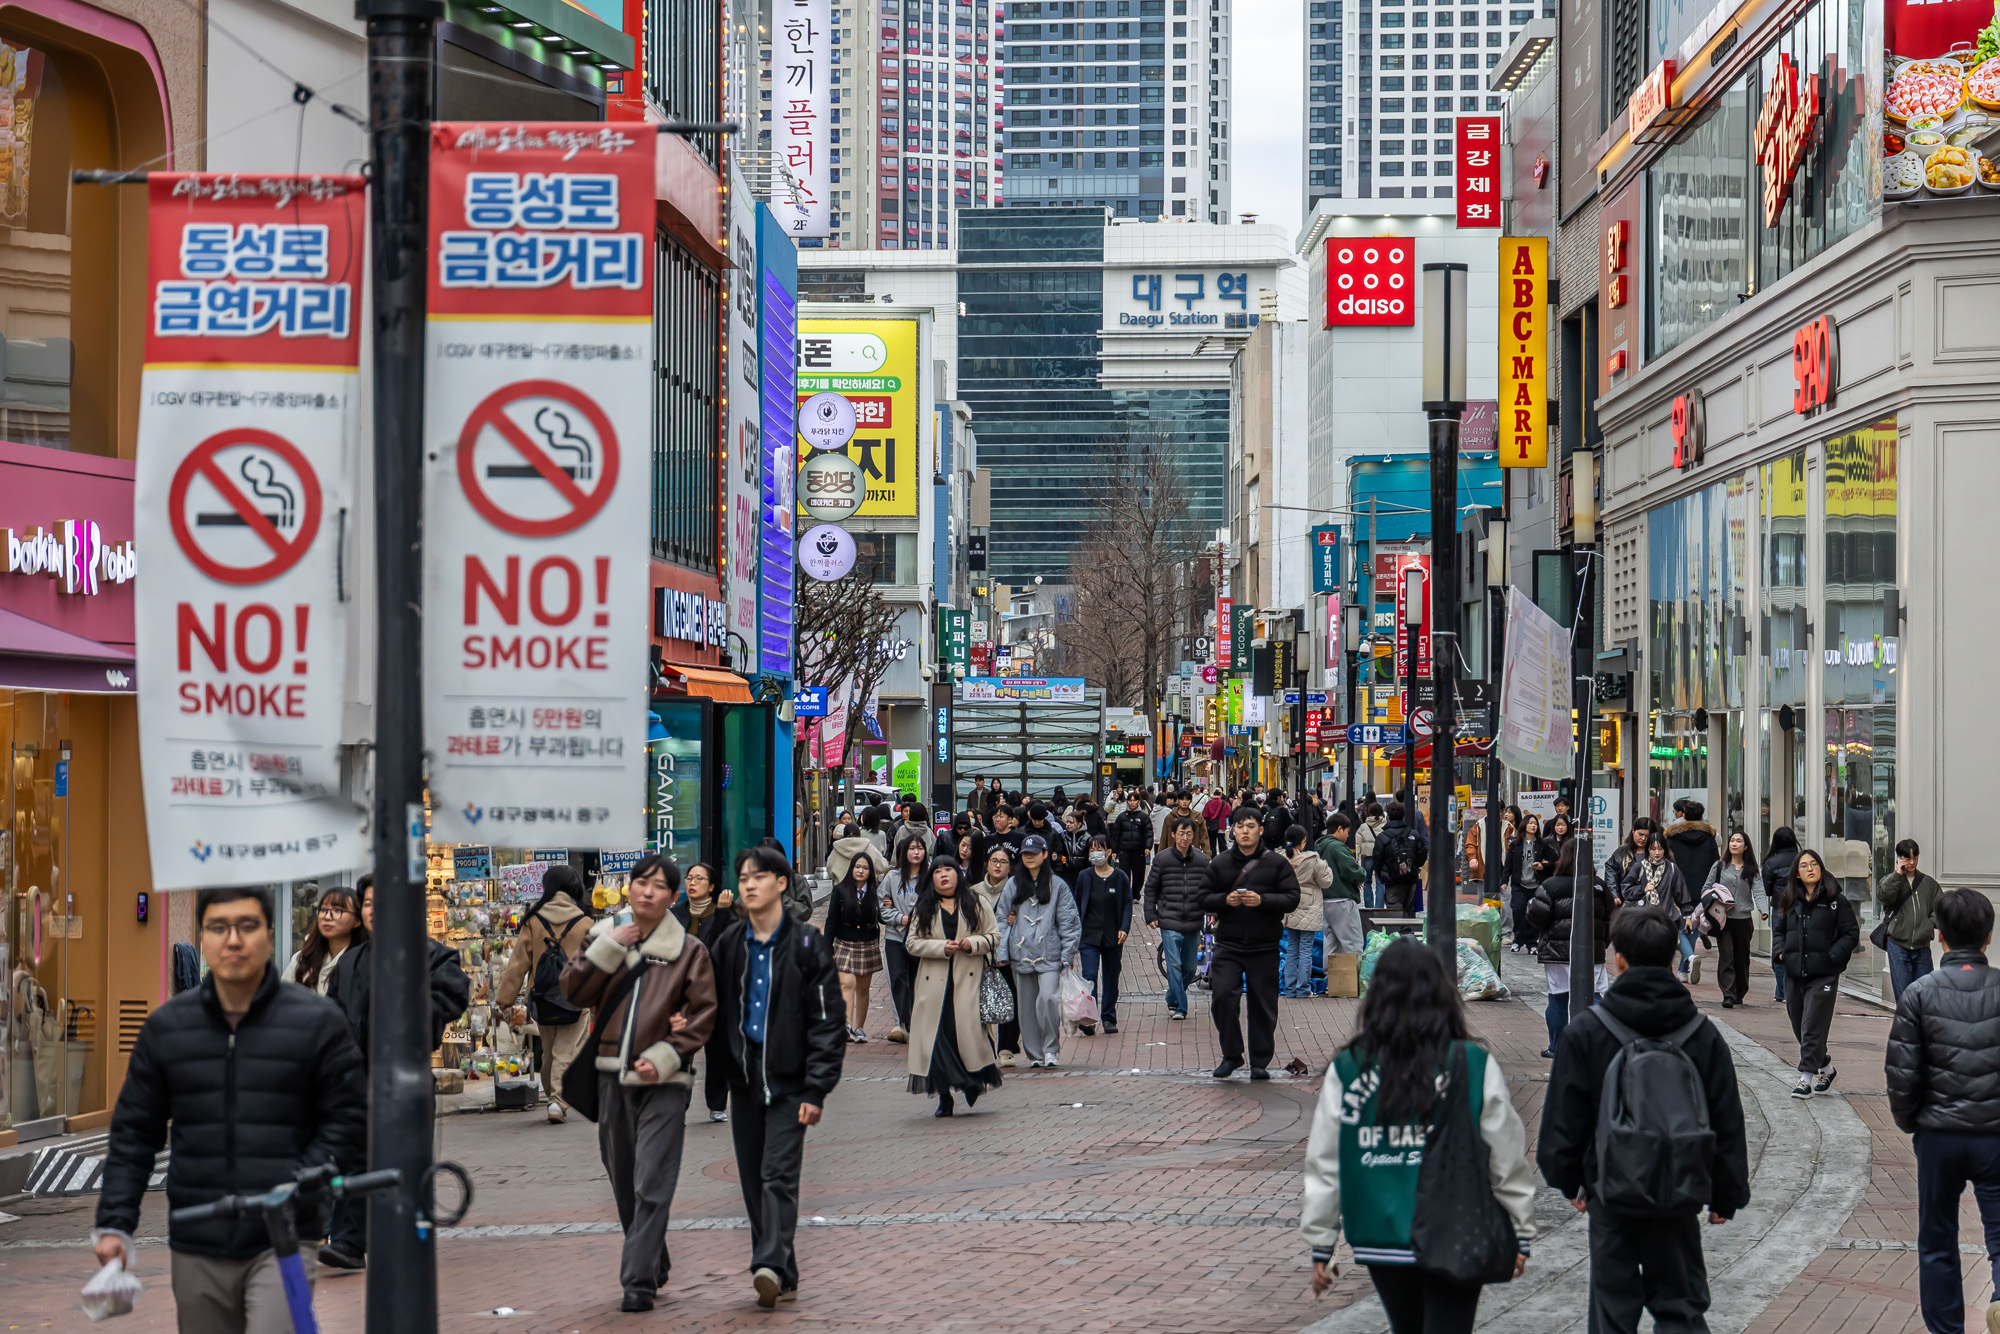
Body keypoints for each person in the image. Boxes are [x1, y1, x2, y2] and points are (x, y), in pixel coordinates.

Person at [94, 886, 364, 1334]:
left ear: (271, 935)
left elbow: (350, 1116)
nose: (233, 940)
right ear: (201, 938)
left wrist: (307, 1174)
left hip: (286, 1236)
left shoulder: (315, 1022)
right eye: (218, 928)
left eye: (247, 926)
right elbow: (134, 1134)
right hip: (197, 1234)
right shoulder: (168, 1029)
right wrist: (114, 1223)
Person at [1300, 938, 1536, 1332]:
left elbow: (1325, 1160)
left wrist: (1323, 1241)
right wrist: (1520, 1228)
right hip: (1457, 1223)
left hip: (1379, 1230)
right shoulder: (1471, 1063)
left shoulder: (1349, 1068)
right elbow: (1506, 1154)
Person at [1537, 907, 1751, 1334]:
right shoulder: (1701, 1033)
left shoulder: (1588, 1031)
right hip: (1680, 1191)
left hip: (1611, 1191)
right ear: (1674, 957)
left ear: (1619, 959)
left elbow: (1563, 1122)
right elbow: (1726, 1119)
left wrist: (1572, 1181)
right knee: (1680, 1308)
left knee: (1613, 1310)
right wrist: (1726, 1194)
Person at [559, 852, 718, 1313]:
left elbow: (702, 1013)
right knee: (624, 1177)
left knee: (653, 1177)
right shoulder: (604, 934)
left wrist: (665, 1055)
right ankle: (652, 1257)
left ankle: (637, 1282)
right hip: (611, 1076)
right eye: (640, 882)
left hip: (666, 1083)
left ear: (673, 897)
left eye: (658, 886)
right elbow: (572, 991)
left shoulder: (690, 950)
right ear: (629, 888)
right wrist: (607, 949)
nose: (647, 891)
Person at [705, 845, 847, 1309]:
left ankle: (766, 1262)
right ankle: (781, 1264)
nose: (748, 884)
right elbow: (716, 1011)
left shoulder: (807, 943)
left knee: (778, 1174)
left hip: (790, 1082)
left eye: (759, 876)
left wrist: (816, 1087)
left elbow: (827, 1021)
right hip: (745, 1081)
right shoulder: (728, 944)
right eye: (743, 876)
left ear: (782, 884)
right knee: (752, 1180)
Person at [320, 873, 470, 1271]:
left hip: (404, 1080)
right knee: (351, 1158)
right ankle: (349, 1242)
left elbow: (454, 992)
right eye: (368, 903)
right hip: (355, 1079)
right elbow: (331, 1016)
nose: (375, 911)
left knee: (400, 1162)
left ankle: (401, 1238)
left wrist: (412, 1025)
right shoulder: (350, 962)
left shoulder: (430, 953)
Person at [1884, 888, 2000, 1334]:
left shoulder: (1919, 994)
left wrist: (1913, 1123)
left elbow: (1902, 1073)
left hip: (1939, 1134)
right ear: (1988, 937)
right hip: (1995, 1135)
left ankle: (1946, 1329)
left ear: (1938, 936)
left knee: (1936, 1238)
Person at [1200, 806, 1301, 1080]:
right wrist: (1224, 900)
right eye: (1240, 826)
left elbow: (1293, 898)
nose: (1245, 831)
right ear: (1232, 830)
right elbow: (1202, 897)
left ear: (1261, 830)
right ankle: (1231, 1055)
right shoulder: (1220, 863)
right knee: (1222, 997)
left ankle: (1259, 1061)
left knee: (1263, 1004)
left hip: (1264, 945)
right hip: (1229, 945)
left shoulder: (1276, 863)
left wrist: (1263, 900)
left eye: (1251, 826)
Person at [495, 863, 595, 1124]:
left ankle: (553, 1096)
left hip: (542, 997)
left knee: (548, 1051)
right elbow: (595, 964)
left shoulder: (533, 920)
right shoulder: (585, 922)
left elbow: (518, 964)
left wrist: (505, 1001)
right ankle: (557, 1101)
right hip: (577, 996)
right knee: (565, 1051)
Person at [903, 856, 1003, 1116]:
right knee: (936, 1041)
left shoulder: (975, 901)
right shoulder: (924, 907)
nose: (943, 875)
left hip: (967, 984)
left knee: (966, 1037)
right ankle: (944, 1096)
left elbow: (994, 936)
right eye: (937, 871)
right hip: (932, 987)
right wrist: (940, 948)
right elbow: (912, 943)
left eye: (949, 869)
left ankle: (971, 1082)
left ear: (958, 873)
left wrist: (974, 943)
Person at [1772, 847, 1859, 1099]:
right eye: (1804, 865)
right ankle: (1827, 1069)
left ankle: (1805, 1079)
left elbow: (1850, 933)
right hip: (1795, 972)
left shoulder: (1836, 901)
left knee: (1812, 1025)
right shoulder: (1789, 900)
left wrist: (1832, 957)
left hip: (1824, 974)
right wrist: (1781, 953)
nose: (1810, 868)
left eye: (1814, 864)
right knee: (1799, 1025)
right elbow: (1779, 930)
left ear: (1821, 868)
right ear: (1797, 874)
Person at [995, 834, 1081, 1068]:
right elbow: (1001, 919)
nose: (1029, 857)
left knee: (1048, 998)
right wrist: (1002, 952)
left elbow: (1068, 921)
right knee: (1026, 1007)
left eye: (1034, 853)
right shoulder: (1013, 884)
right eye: (1025, 854)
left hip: (1049, 953)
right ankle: (1034, 1054)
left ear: (1045, 854)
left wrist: (1067, 953)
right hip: (1020, 954)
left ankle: (1051, 1049)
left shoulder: (1058, 885)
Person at [1524, 839, 1614, 1058]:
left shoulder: (1551, 885)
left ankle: (1557, 1046)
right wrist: (1601, 943)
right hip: (1592, 952)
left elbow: (1536, 916)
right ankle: (1595, 1045)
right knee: (1593, 997)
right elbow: (1611, 919)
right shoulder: (1599, 886)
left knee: (1558, 999)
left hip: (1557, 953)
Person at [671, 862, 735, 1122]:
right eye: (689, 878)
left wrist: (722, 914)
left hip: (714, 992)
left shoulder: (724, 913)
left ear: (711, 886)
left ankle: (717, 1103)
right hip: (682, 993)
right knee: (681, 1050)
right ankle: (678, 1103)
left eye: (699, 878)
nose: (692, 883)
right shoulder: (675, 914)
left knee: (717, 1050)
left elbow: (719, 950)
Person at [1144, 814, 1211, 1021]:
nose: (1185, 837)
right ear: (1173, 834)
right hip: (1169, 919)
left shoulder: (1202, 860)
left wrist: (1212, 913)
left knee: (1190, 968)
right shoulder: (1162, 859)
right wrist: (1150, 914)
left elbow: (1210, 890)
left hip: (1193, 920)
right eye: (1181, 833)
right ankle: (1181, 1007)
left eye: (1189, 834)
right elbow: (1151, 889)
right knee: (1173, 964)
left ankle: (1172, 996)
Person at [824, 843, 886, 1044]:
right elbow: (831, 920)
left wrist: (888, 907)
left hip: (867, 943)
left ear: (870, 871)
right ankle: (846, 1025)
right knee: (846, 983)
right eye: (857, 867)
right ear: (851, 869)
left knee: (863, 988)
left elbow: (881, 919)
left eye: (865, 868)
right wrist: (827, 946)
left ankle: (859, 1028)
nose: (861, 871)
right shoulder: (840, 890)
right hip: (843, 942)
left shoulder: (875, 892)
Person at [1073, 834, 1133, 1034]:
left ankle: (1108, 1017)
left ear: (1108, 852)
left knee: (1111, 975)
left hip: (1113, 934)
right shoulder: (1084, 876)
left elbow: (1126, 904)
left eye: (1099, 849)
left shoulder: (1120, 876)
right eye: (1091, 849)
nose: (1095, 853)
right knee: (1089, 976)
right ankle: (1088, 1018)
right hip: (1089, 934)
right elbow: (1077, 902)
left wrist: (1124, 928)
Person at [1701, 832, 1764, 1009]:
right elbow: (1706, 887)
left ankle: (1740, 991)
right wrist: (1712, 900)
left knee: (1742, 958)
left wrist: (1763, 910)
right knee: (1726, 956)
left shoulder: (1752, 868)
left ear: (1745, 847)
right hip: (1723, 919)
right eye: (1732, 841)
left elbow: (1758, 891)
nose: (1734, 844)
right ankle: (1728, 994)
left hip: (1743, 919)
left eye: (1738, 841)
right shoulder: (1720, 866)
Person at [878, 834, 929, 1044]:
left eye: (919, 848)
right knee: (898, 979)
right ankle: (902, 1024)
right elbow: (881, 906)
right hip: (895, 937)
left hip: (923, 938)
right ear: (904, 852)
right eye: (911, 848)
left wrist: (918, 921)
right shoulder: (892, 877)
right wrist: (902, 918)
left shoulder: (931, 876)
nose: (916, 852)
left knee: (919, 980)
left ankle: (919, 1022)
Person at [974, 845, 1023, 1065]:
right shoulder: (974, 892)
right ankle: (982, 1046)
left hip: (1007, 955)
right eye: (994, 860)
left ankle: (1006, 1048)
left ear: (1010, 867)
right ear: (986, 863)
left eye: (1003, 862)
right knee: (978, 1001)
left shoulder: (1017, 891)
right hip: (979, 956)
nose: (997, 865)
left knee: (1010, 999)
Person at [1878, 838, 1942, 1002]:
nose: (1911, 862)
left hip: (1922, 946)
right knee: (1904, 996)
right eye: (1907, 858)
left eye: (1914, 857)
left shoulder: (1929, 883)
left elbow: (1941, 908)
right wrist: (1897, 875)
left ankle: (1921, 1027)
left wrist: (1928, 924)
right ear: (1899, 857)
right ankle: (1906, 1026)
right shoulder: (1890, 881)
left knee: (1925, 994)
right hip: (1898, 945)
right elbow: (1884, 896)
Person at [283, 884, 366, 996]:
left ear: (357, 920)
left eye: (338, 911)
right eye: (323, 909)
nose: (327, 916)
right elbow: (282, 1002)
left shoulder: (364, 962)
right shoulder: (302, 959)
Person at [1282, 825, 1334, 998]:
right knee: (1305, 950)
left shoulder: (1281, 858)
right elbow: (1326, 882)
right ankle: (1302, 988)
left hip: (1289, 907)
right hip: (1309, 907)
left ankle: (1289, 988)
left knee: (1291, 949)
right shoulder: (1312, 860)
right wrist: (1325, 866)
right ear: (1302, 843)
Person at [1315, 814, 1367, 955]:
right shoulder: (1337, 847)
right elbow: (1352, 870)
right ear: (1339, 829)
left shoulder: (1320, 846)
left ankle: (1330, 975)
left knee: (1331, 942)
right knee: (1353, 942)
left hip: (1326, 899)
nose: (1348, 835)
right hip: (1342, 898)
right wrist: (1362, 873)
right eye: (1347, 831)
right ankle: (1351, 974)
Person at [1763, 825, 1800, 1003]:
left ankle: (1782, 990)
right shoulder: (1801, 859)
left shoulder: (1771, 862)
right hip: (1800, 909)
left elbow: (1767, 890)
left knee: (1779, 949)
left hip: (1779, 909)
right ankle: (1783, 991)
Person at [1663, 800, 1722, 908]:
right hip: (1704, 892)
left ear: (1684, 816)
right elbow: (1716, 866)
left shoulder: (1672, 838)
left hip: (1678, 890)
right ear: (1701, 817)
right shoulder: (1709, 838)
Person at [1371, 800, 1426, 916]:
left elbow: (1377, 859)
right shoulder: (1414, 834)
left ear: (1388, 816)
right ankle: (1409, 932)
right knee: (1410, 910)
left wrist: (1383, 874)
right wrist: (1415, 866)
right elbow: (1422, 854)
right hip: (1410, 879)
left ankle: (1397, 933)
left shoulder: (1382, 837)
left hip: (1392, 881)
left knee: (1394, 913)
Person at [1113, 792, 1154, 886]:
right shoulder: (1121, 817)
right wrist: (1114, 850)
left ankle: (1136, 895)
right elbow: (1116, 835)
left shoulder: (1144, 817)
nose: (1132, 803)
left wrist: (1148, 846)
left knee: (1138, 874)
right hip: (1124, 850)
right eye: (1130, 800)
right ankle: (1125, 895)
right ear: (1127, 802)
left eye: (1134, 800)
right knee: (1124, 874)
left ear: (1138, 802)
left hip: (1139, 850)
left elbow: (1148, 833)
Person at [1356, 802, 1385, 909]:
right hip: (1381, 857)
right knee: (1380, 882)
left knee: (1367, 882)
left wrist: (1356, 858)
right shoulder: (1385, 825)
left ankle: (1369, 907)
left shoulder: (1363, 827)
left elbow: (1357, 843)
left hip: (1367, 857)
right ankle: (1379, 907)